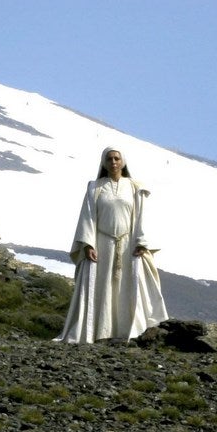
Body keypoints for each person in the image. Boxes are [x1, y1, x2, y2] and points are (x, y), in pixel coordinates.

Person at [55, 147, 168, 344]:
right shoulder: (95, 188)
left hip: (128, 244)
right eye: (109, 159)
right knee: (102, 285)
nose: (113, 162)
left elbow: (142, 215)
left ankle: (129, 331)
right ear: (103, 162)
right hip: (101, 243)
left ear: (123, 162)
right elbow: (88, 216)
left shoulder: (135, 187)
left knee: (128, 285)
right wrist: (88, 244)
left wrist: (141, 241)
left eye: (117, 158)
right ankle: (98, 332)